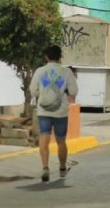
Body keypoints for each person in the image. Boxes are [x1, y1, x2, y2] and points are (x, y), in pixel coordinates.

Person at [29, 44, 79, 182]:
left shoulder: (40, 71)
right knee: (60, 141)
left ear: (46, 56)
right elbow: (74, 91)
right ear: (60, 56)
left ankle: (45, 167)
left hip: (44, 110)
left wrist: (44, 94)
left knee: (44, 139)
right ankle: (62, 168)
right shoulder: (66, 72)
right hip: (60, 111)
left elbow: (33, 91)